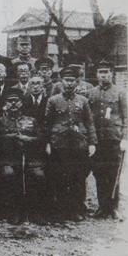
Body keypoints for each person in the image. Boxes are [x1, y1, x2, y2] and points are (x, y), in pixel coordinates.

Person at [45, 66, 97, 221]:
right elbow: (47, 123)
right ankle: (61, 209)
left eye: (72, 81)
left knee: (78, 177)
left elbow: (90, 123)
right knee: (59, 177)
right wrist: (47, 142)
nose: (69, 84)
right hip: (59, 145)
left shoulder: (83, 101)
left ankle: (76, 209)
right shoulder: (53, 100)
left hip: (78, 145)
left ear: (77, 82)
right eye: (66, 80)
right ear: (61, 82)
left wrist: (92, 142)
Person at [0, 88, 45, 224]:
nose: (13, 104)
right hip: (8, 159)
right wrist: (13, 137)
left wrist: (28, 139)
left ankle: (34, 211)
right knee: (9, 174)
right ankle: (13, 210)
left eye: (17, 101)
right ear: (5, 104)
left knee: (38, 175)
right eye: (10, 101)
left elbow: (40, 138)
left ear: (22, 103)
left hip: (30, 159)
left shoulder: (31, 120)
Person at [88, 60, 127, 219]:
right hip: (98, 140)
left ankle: (114, 207)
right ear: (96, 75)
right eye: (100, 72)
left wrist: (125, 137)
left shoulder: (120, 93)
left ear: (112, 74)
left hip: (113, 139)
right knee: (99, 173)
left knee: (113, 173)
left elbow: (126, 117)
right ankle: (102, 207)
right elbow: (89, 117)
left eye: (106, 72)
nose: (103, 75)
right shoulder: (92, 93)